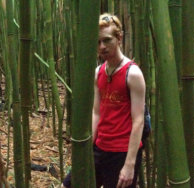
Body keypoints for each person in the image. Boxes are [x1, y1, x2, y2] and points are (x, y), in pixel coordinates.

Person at [62, 13, 146, 188]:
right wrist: (86, 149)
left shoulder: (133, 74)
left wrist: (129, 165)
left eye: (107, 40)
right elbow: (96, 113)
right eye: (98, 42)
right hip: (99, 148)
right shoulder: (98, 72)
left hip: (122, 152)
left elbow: (138, 120)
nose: (102, 46)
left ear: (119, 38)